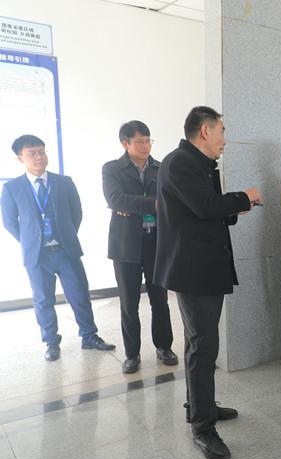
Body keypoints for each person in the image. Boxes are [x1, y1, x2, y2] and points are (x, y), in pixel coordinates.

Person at [154, 106, 262, 459]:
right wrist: (244, 197)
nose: (225, 139)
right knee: (203, 346)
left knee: (199, 342)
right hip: (193, 271)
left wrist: (233, 208)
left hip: (203, 267)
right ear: (205, 131)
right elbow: (203, 206)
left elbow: (204, 210)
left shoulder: (199, 163)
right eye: (222, 131)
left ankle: (198, 406)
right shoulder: (181, 163)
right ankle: (203, 428)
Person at [2, 135, 115, 361]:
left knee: (79, 294)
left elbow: (76, 213)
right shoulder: (12, 188)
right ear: (20, 158)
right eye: (32, 153)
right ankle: (51, 341)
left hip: (66, 250)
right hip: (38, 255)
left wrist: (66, 235)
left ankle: (89, 336)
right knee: (43, 300)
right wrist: (30, 241)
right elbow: (10, 222)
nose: (39, 157)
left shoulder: (64, 182)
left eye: (42, 151)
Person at [102, 120, 177, 374]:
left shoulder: (160, 167)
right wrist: (154, 204)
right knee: (129, 302)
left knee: (160, 300)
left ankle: (164, 347)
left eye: (148, 141)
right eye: (140, 142)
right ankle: (132, 354)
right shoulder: (112, 169)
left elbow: (170, 199)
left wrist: (132, 205)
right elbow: (116, 199)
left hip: (157, 243)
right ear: (125, 143)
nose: (146, 146)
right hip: (126, 245)